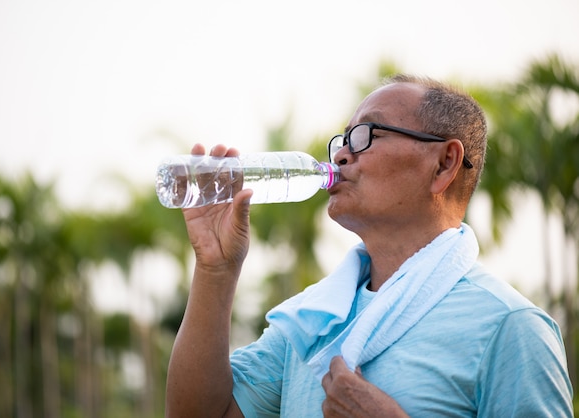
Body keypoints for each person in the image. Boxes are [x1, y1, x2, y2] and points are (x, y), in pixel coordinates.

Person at [165, 75, 573, 417]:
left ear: (445, 163)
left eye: (365, 135)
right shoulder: (314, 323)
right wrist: (215, 269)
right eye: (342, 140)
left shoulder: (511, 326)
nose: (342, 155)